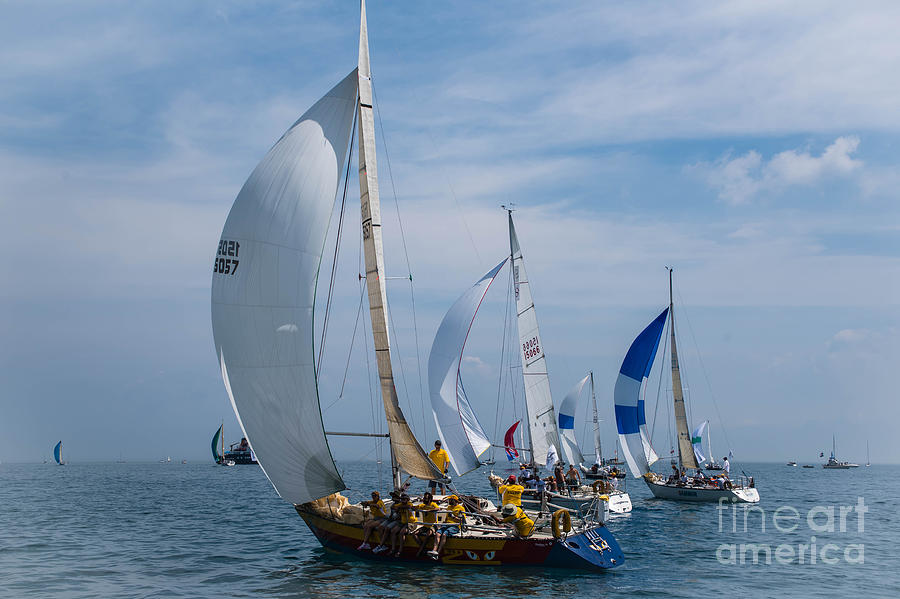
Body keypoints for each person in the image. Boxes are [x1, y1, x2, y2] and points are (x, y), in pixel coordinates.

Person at [430, 495, 465, 559]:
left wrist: (454, 517)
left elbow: (462, 520)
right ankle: (434, 550)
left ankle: (438, 552)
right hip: (447, 524)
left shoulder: (461, 508)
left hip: (455, 525)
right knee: (438, 533)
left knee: (444, 534)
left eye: (450, 500)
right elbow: (446, 518)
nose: (449, 501)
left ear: (454, 500)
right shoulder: (449, 507)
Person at [390, 493, 417, 557]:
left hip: (410, 523)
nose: (403, 501)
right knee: (393, 531)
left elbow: (409, 506)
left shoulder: (409, 504)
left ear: (407, 500)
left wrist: (399, 507)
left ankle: (400, 550)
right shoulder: (400, 504)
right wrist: (398, 507)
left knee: (401, 533)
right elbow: (394, 507)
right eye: (402, 499)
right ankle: (393, 548)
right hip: (402, 522)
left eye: (404, 499)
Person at [414, 492, 439, 556]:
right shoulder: (422, 505)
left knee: (428, 534)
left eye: (426, 498)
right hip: (425, 526)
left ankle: (420, 551)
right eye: (424, 498)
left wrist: (429, 510)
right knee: (415, 534)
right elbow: (414, 507)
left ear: (430, 499)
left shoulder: (433, 504)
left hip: (433, 525)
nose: (424, 499)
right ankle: (423, 548)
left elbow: (438, 508)